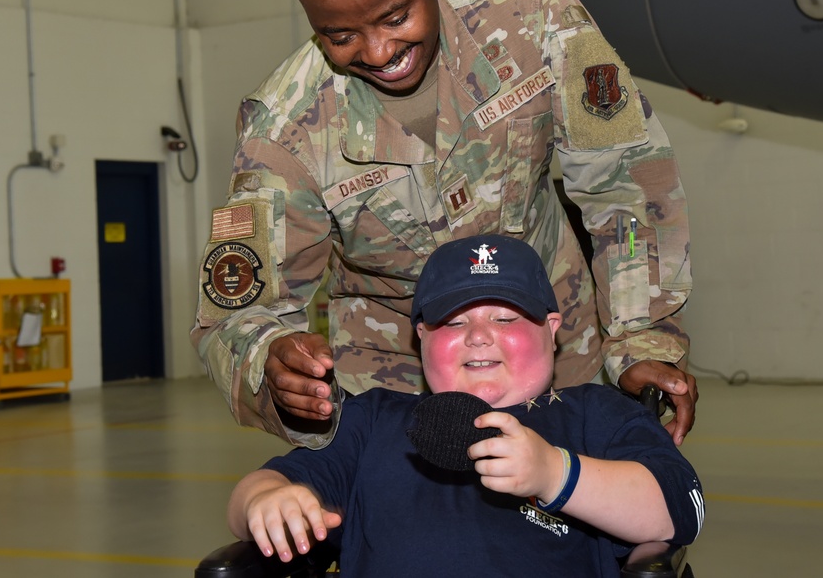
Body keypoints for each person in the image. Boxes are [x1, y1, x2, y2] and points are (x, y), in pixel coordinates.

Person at [192, 0, 697, 450]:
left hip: (553, 340)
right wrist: (267, 358)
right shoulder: (284, 130)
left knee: (586, 514)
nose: (379, 52)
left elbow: (626, 186)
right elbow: (237, 309)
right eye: (340, 36)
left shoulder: (530, 11)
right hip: (395, 372)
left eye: (395, 16)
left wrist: (641, 340)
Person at [227, 235, 704, 576]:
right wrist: (265, 500)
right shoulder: (373, 419)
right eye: (453, 323)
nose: (479, 335)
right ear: (420, 338)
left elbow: (680, 507)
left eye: (504, 316)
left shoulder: (595, 414)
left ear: (552, 329)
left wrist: (556, 474)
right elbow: (257, 489)